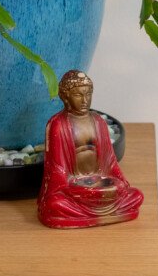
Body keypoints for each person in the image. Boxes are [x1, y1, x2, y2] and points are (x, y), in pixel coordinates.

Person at [38, 71, 144, 230]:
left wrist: (120, 183)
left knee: (136, 196)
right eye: (78, 95)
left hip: (101, 184)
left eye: (88, 94)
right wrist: (75, 189)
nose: (84, 100)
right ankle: (98, 214)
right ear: (65, 97)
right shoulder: (58, 125)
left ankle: (97, 213)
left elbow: (110, 160)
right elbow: (57, 169)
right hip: (73, 190)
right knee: (55, 205)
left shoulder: (98, 121)